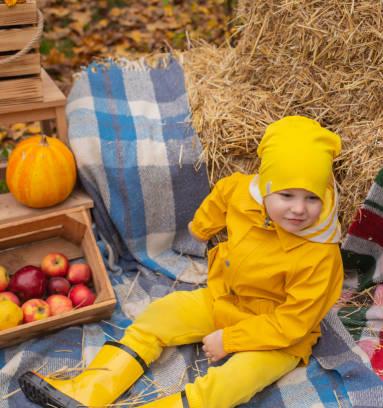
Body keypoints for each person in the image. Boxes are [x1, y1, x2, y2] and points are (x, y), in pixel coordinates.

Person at [19, 116, 344, 408]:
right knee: (160, 315)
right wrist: (200, 227)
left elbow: (292, 324)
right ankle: (87, 391)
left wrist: (229, 341)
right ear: (265, 187)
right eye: (287, 195)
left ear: (326, 194)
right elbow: (223, 195)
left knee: (228, 384)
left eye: (312, 197)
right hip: (224, 300)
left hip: (279, 337)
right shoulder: (245, 192)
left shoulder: (320, 255)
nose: (299, 209)